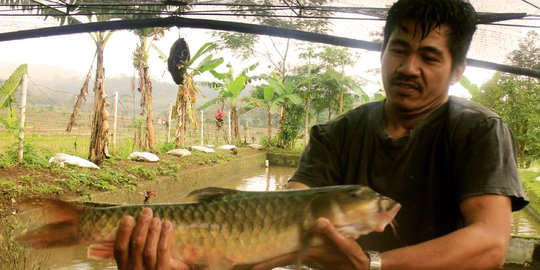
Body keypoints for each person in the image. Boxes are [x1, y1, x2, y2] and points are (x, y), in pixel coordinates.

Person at [113, 0, 529, 269]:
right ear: (384, 52)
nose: (408, 67)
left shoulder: (479, 130)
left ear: (457, 69)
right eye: (399, 49)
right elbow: (274, 224)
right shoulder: (337, 132)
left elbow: (489, 244)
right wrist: (178, 263)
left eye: (429, 56)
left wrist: (374, 266)